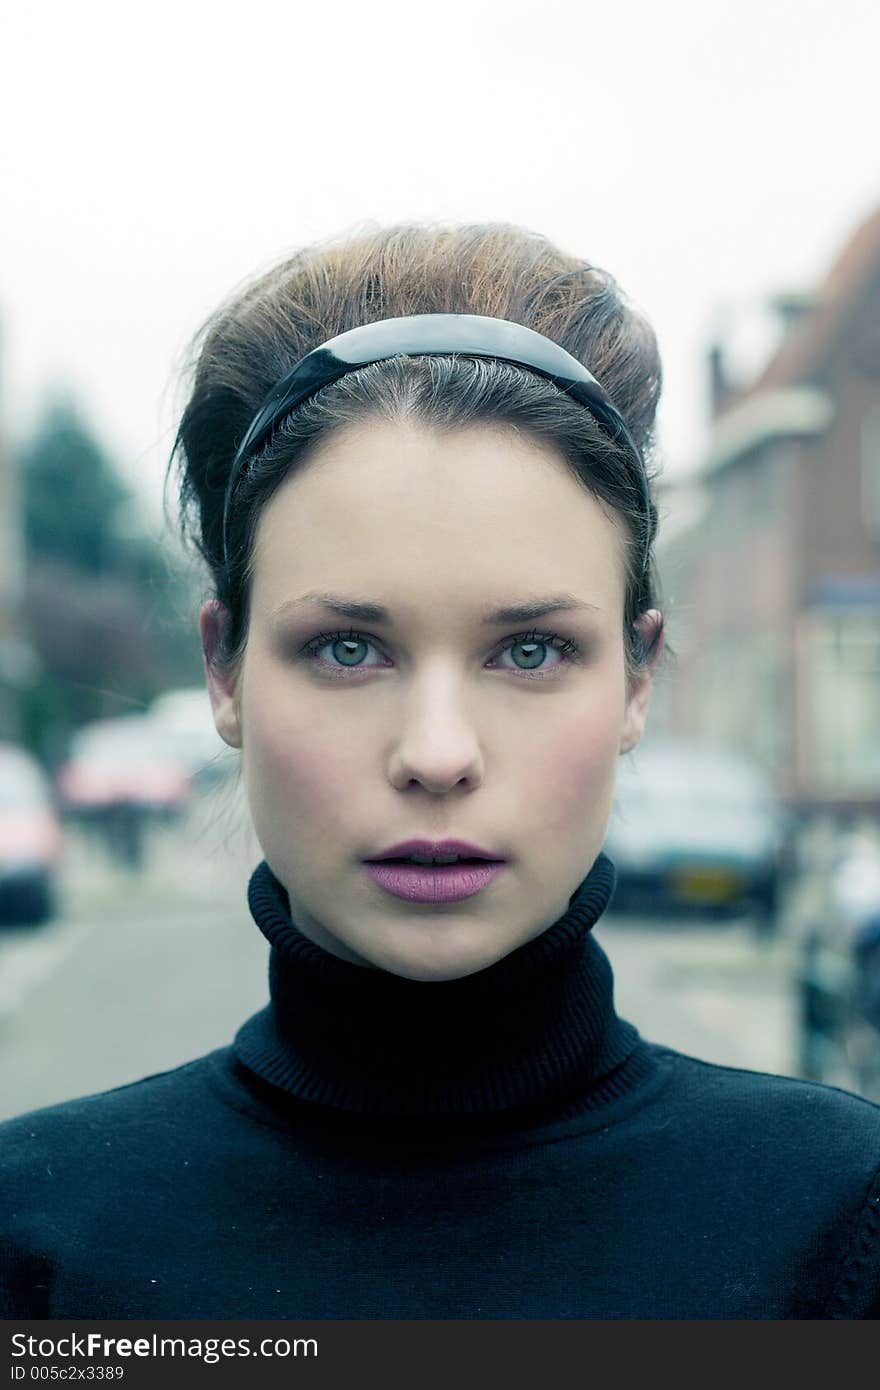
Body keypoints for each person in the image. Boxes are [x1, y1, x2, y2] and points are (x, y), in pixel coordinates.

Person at [2, 222, 880, 1320]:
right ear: (222, 669)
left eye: (529, 651)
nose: (435, 754)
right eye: (346, 648)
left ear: (638, 678)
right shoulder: (36, 1242)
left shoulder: (837, 1223)